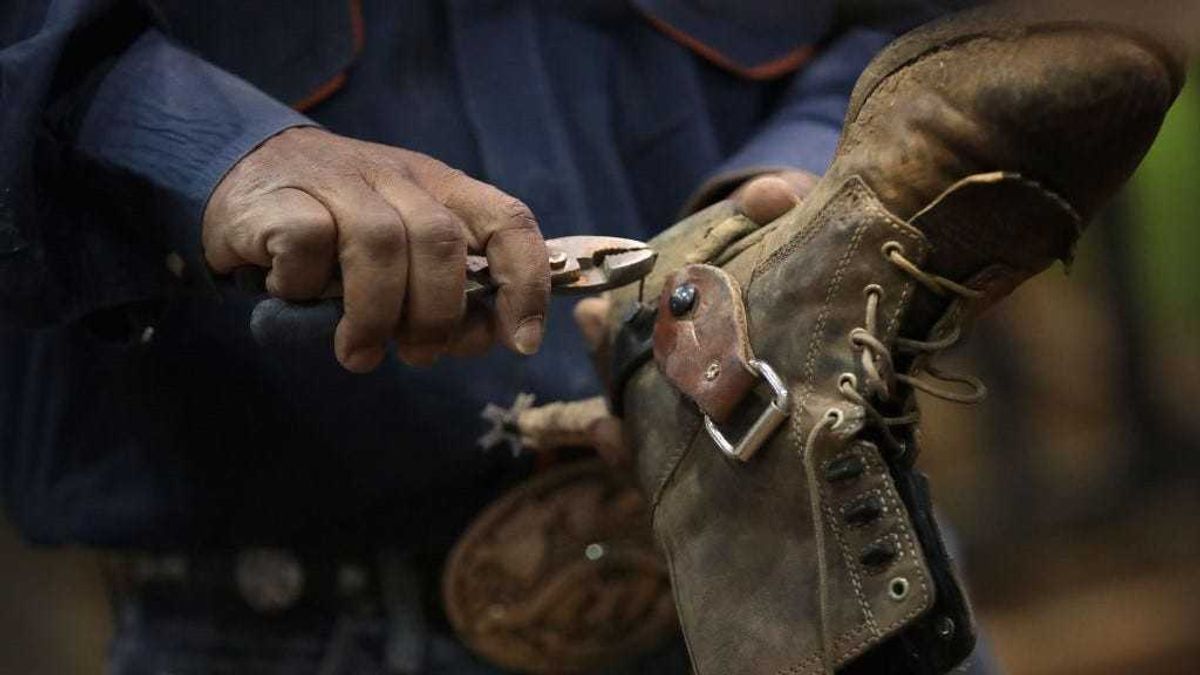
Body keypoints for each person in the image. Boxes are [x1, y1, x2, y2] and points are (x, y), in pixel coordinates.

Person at [1, 1, 978, 672]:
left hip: (812, 553)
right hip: (277, 618)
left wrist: (814, 178)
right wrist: (195, 146)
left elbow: (921, 23)